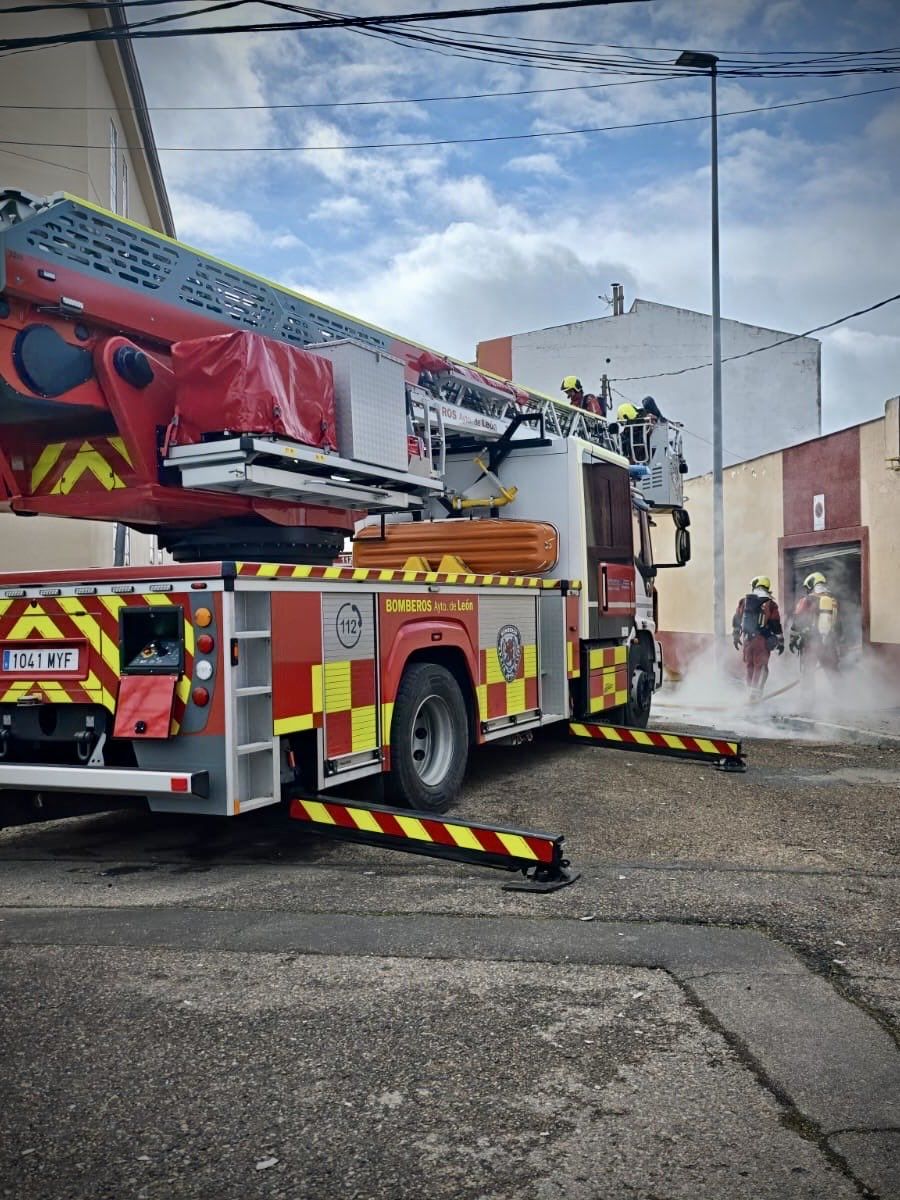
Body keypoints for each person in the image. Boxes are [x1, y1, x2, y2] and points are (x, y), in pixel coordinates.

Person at [732, 575, 785, 702]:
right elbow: (775, 623)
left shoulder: (744, 601)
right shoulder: (770, 604)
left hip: (747, 640)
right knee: (760, 667)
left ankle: (749, 693)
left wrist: (735, 636)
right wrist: (781, 641)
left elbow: (736, 619)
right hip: (761, 640)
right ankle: (755, 696)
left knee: (749, 666)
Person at [789, 572, 841, 675]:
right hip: (829, 642)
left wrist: (793, 639)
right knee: (833, 673)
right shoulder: (832, 601)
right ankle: (840, 691)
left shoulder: (806, 600)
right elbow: (838, 624)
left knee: (808, 673)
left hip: (811, 642)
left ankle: (808, 691)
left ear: (811, 585)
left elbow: (797, 621)